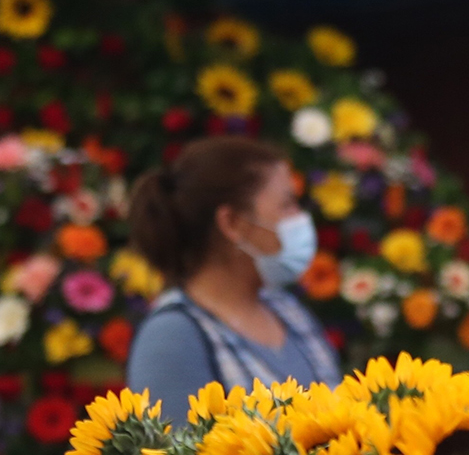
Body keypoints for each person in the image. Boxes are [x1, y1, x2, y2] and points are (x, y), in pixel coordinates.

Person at [127, 136, 343, 411]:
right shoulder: (173, 338)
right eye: (286, 204)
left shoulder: (287, 311)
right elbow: (177, 453)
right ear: (233, 223)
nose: (300, 218)